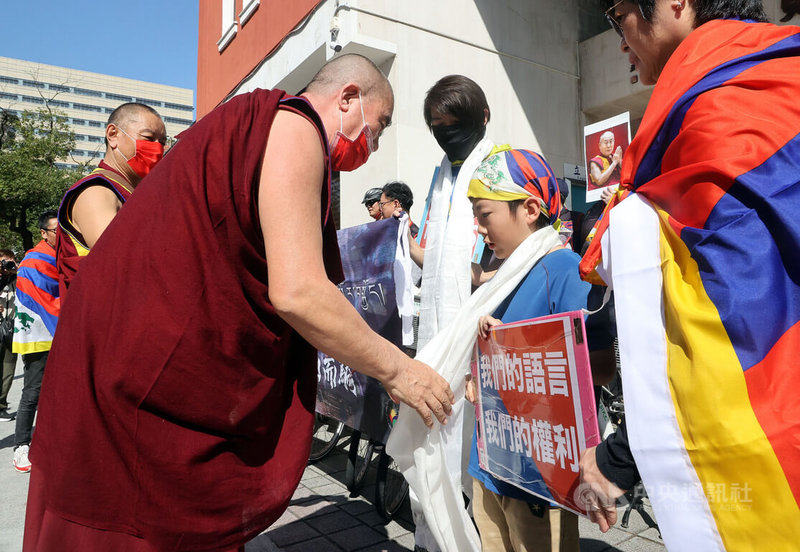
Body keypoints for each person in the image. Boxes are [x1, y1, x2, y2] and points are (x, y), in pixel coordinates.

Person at [24, 53, 453, 551]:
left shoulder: (260, 129)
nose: (371, 148)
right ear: (348, 98)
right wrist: (400, 371)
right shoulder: (295, 127)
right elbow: (298, 292)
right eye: (376, 129)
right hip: (136, 384)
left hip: (115, 362)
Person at [579, 1, 800, 549]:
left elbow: (733, 329)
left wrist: (618, 457)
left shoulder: (712, 119)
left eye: (617, 14)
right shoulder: (780, 78)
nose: (619, 38)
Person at [387, 149, 614, 551]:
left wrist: (514, 350)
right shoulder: (503, 276)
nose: (479, 228)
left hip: (540, 476)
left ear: (529, 209)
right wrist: (480, 369)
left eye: (485, 214)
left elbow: (600, 368)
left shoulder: (563, 270)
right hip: (491, 462)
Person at [56, 102, 166, 298]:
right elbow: (121, 263)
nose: (157, 148)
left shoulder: (138, 194)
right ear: (113, 135)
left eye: (162, 142)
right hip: (104, 321)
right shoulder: (96, 192)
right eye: (148, 138)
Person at [11, 212, 60, 473]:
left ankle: (49, 441)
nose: (60, 235)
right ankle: (21, 446)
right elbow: (40, 300)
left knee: (56, 392)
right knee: (32, 393)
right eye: (55, 230)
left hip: (57, 333)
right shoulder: (33, 260)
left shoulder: (60, 256)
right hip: (39, 334)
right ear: (43, 232)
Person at [0, 249, 18, 422]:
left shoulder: (18, 277)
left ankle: (1, 406)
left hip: (11, 327)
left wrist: (16, 270)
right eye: (5, 262)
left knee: (8, 369)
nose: (7, 265)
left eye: (11, 261)